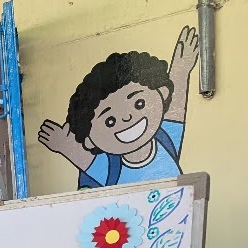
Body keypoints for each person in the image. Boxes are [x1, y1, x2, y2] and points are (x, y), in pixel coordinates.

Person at [37, 26, 198, 188]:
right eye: (110, 121)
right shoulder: (110, 168)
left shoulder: (165, 139)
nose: (127, 118)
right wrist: (65, 146)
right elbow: (84, 159)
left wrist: (181, 69)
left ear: (162, 93)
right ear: (90, 140)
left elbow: (175, 108)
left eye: (139, 104)